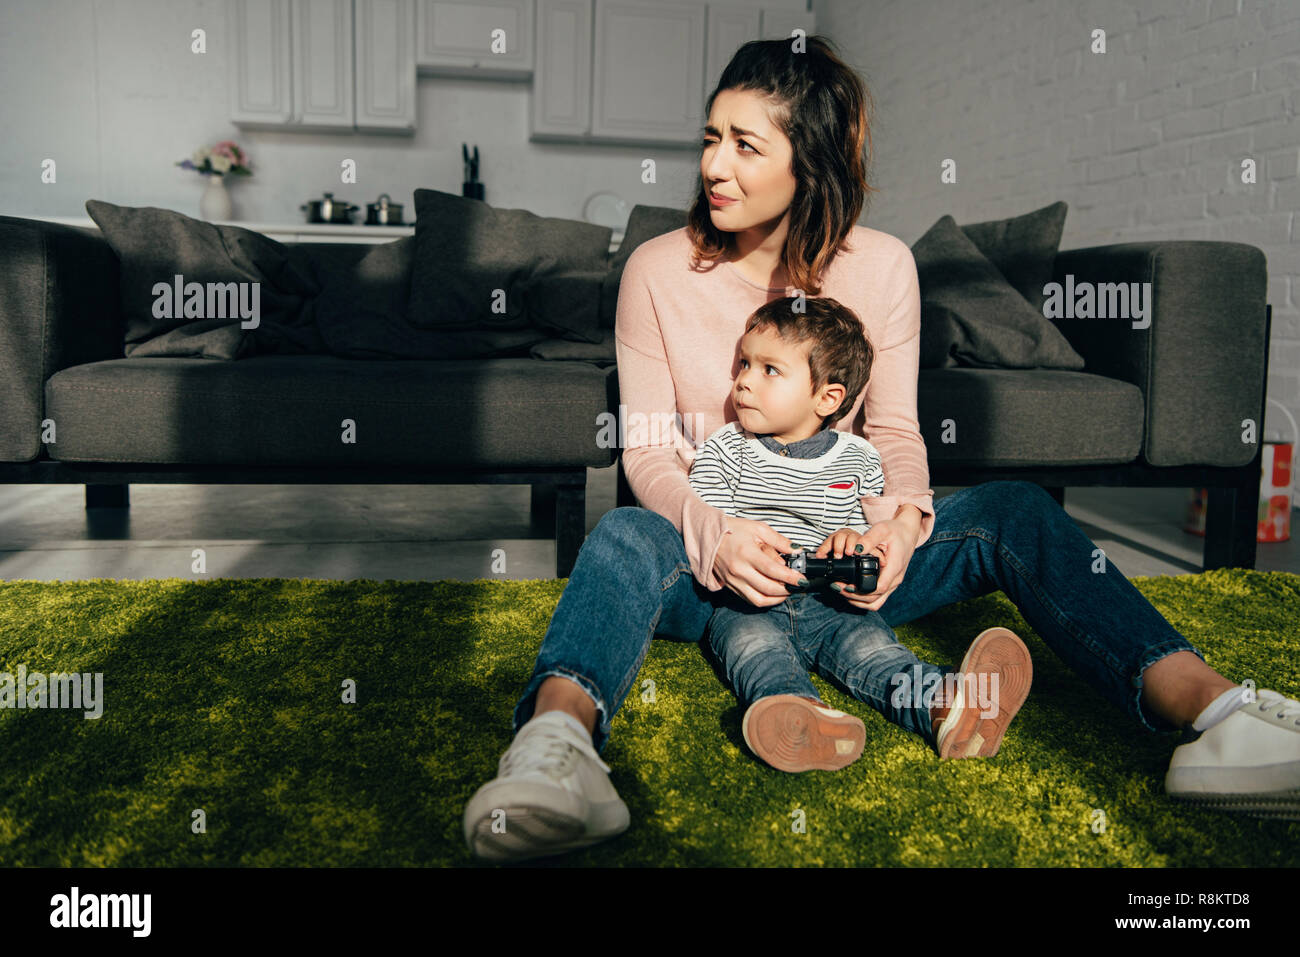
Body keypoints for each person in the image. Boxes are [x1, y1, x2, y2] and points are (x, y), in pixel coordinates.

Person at [462, 36, 1300, 863]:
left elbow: (894, 434)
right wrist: (714, 532)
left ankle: (1214, 715)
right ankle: (559, 749)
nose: (715, 165)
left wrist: (895, 529)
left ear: (811, 163)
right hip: (711, 570)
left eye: (746, 144)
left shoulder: (885, 268)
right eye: (711, 138)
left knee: (1014, 509)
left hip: (842, 558)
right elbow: (647, 456)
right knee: (622, 534)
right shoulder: (655, 270)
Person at [689, 294, 1032, 772]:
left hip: (833, 602)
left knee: (877, 654)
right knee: (758, 656)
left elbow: (864, 525)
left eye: (769, 370)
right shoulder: (726, 449)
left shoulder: (859, 458)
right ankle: (799, 718)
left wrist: (852, 541)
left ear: (827, 397)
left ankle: (950, 704)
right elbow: (709, 522)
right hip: (750, 601)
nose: (743, 380)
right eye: (744, 363)